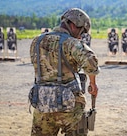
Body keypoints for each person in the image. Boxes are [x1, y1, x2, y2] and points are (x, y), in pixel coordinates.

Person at [29, 8, 100, 136]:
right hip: (70, 107)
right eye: (81, 31)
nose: (80, 36)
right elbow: (91, 63)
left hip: (42, 104)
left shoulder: (37, 41)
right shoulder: (72, 43)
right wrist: (93, 84)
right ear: (73, 25)